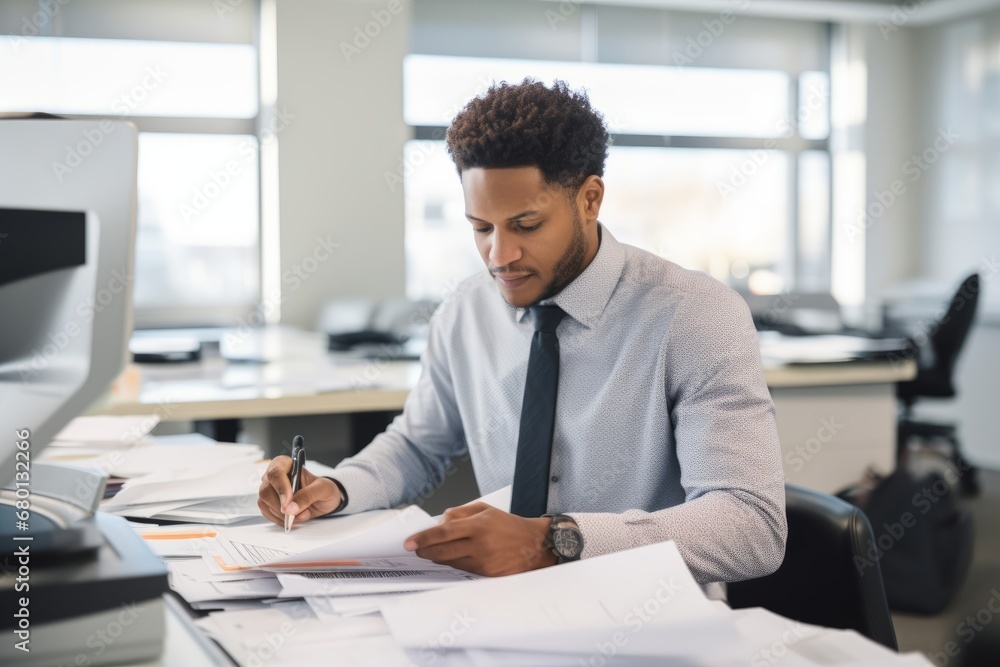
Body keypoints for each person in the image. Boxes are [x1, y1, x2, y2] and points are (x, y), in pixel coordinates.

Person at [258, 79, 786, 590]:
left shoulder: (695, 315)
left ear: (590, 199)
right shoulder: (464, 310)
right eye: (481, 228)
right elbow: (419, 445)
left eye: (526, 225)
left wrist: (554, 541)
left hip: (653, 619)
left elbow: (751, 525)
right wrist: (337, 487)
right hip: (499, 608)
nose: (499, 256)